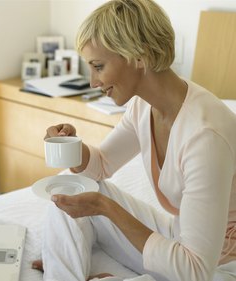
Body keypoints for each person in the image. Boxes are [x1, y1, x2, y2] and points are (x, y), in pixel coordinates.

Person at [32, 0, 236, 280]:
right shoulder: (143, 107)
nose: (92, 81)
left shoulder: (205, 135)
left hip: (217, 267)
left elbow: (195, 270)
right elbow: (102, 165)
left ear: (139, 56)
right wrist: (70, 148)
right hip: (180, 239)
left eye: (98, 66)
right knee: (69, 185)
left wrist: (106, 208)